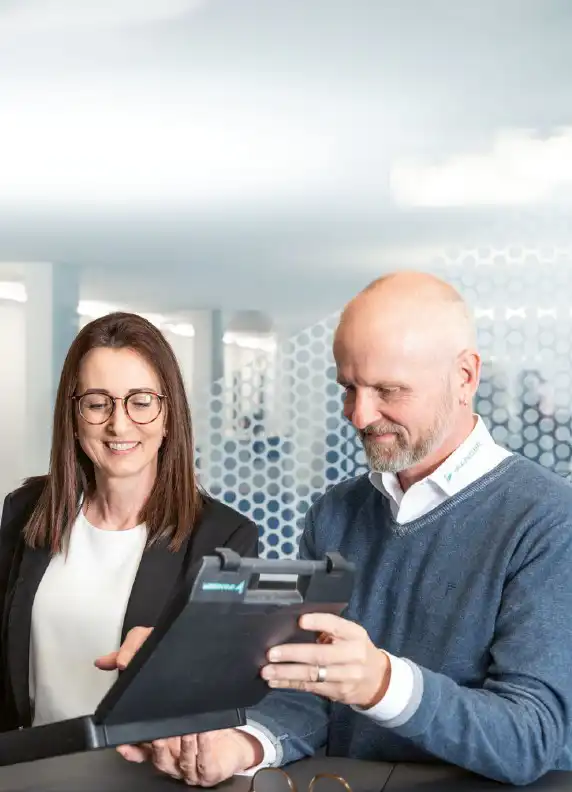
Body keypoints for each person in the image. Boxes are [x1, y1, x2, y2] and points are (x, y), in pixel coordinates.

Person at [118, 272, 572, 786]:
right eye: (349, 388)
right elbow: (307, 693)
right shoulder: (335, 513)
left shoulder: (549, 519)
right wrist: (241, 746)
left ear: (465, 376)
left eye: (388, 390)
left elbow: (531, 737)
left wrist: (382, 684)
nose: (359, 415)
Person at [0, 312, 258, 739]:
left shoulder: (224, 538)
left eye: (140, 402)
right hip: (27, 763)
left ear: (168, 415)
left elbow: (225, 689)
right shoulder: (24, 511)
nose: (119, 424)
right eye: (97, 403)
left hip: (142, 767)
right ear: (73, 417)